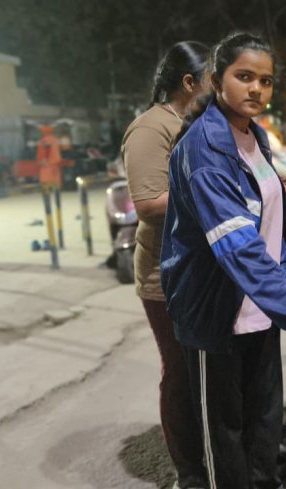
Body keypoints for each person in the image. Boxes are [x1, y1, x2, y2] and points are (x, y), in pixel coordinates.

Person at [160, 32, 286, 489]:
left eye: (265, 81)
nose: (256, 90)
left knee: (264, 429)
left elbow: (270, 234)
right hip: (216, 316)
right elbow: (240, 248)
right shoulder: (204, 151)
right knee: (224, 442)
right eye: (243, 77)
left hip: (261, 311)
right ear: (215, 78)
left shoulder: (255, 137)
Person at [122, 40, 209, 489]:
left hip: (199, 269)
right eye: (213, 76)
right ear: (190, 82)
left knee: (204, 368)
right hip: (164, 273)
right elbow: (148, 204)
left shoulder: (196, 123)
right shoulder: (151, 128)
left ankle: (209, 454)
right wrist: (215, 193)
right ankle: (189, 469)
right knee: (179, 370)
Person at [36, 125, 62, 190]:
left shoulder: (44, 140)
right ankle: (57, 197)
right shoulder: (55, 139)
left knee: (45, 182)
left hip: (47, 164)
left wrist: (44, 160)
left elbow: (47, 149)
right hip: (55, 163)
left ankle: (47, 199)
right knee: (56, 182)